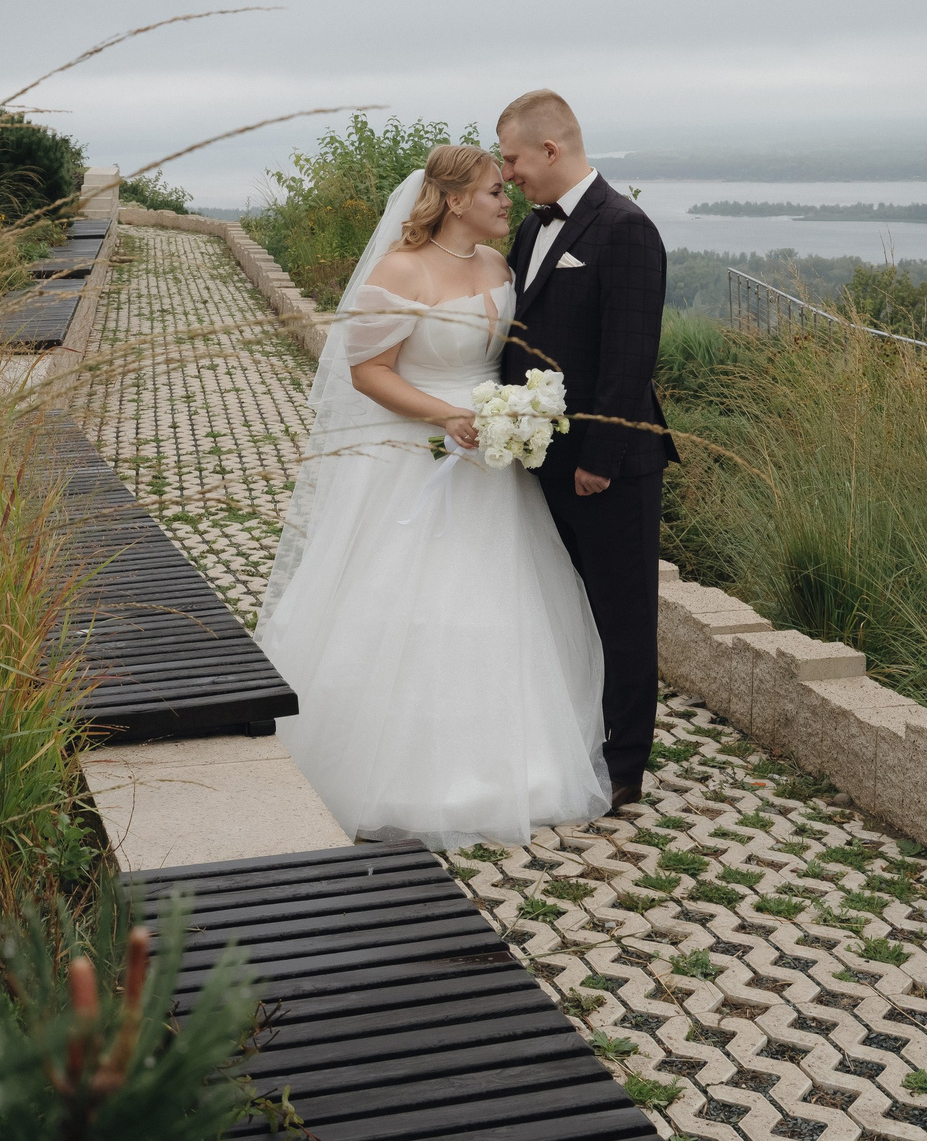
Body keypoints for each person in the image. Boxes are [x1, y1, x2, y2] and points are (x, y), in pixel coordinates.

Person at [257, 144, 612, 848]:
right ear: (454, 200)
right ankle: (394, 767)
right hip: (417, 453)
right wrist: (444, 416)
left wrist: (515, 415)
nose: (504, 199)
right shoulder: (401, 269)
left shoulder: (500, 264)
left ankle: (511, 764)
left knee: (497, 600)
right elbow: (368, 371)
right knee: (403, 600)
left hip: (493, 461)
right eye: (491, 191)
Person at [494, 89, 678, 808]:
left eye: (513, 159)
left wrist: (598, 460)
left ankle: (625, 765)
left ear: (550, 148)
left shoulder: (626, 227)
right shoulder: (531, 231)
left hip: (610, 470)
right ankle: (573, 741)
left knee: (622, 612)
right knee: (563, 609)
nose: (508, 174)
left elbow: (629, 357)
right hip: (540, 462)